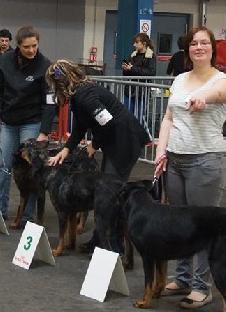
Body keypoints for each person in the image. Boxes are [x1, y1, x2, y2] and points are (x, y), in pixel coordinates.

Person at [153, 25, 226, 309]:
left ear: (213, 48)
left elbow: (221, 93)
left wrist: (204, 97)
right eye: (193, 43)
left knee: (203, 228)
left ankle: (203, 286)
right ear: (187, 49)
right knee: (180, 225)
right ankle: (183, 278)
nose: (198, 47)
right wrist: (161, 151)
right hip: (175, 160)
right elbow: (168, 118)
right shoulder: (178, 80)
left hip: (206, 161)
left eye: (204, 43)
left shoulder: (222, 80)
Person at [46, 59, 151, 251]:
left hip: (124, 142)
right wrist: (67, 149)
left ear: (60, 84)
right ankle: (99, 240)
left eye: (53, 86)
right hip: (116, 142)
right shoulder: (80, 94)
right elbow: (80, 126)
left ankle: (115, 247)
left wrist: (94, 144)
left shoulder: (85, 96)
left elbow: (108, 122)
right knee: (104, 194)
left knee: (111, 195)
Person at [0, 26, 54, 222]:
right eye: (27, 47)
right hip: (8, 122)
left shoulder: (45, 66)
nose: (32, 50)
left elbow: (50, 101)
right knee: (1, 165)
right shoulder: (5, 60)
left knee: (32, 170)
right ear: (18, 45)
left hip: (32, 123)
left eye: (35, 46)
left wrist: (44, 131)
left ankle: (27, 215)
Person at [122, 32, 156, 119]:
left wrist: (132, 69)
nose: (134, 44)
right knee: (127, 116)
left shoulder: (151, 56)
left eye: (137, 42)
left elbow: (151, 72)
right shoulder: (133, 55)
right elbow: (126, 75)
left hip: (142, 92)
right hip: (129, 90)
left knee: (138, 117)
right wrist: (126, 69)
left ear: (144, 44)